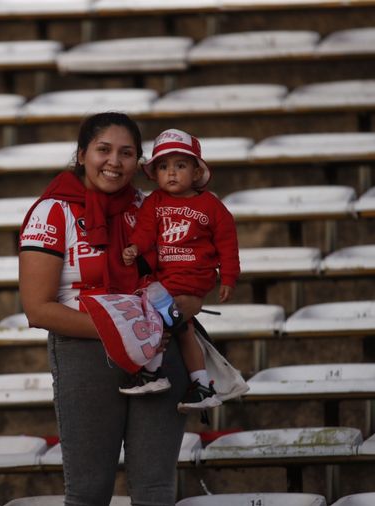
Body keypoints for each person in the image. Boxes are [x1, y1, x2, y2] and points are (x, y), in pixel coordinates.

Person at [19, 113, 200, 506]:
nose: (114, 162)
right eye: (103, 150)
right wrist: (123, 328)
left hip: (159, 349)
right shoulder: (52, 212)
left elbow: (193, 277)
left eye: (127, 153)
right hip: (85, 353)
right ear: (82, 154)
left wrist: (187, 304)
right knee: (89, 493)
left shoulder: (157, 207)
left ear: (140, 162)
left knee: (156, 491)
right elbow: (37, 309)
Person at [121, 128, 240, 414]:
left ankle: (153, 372)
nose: (171, 173)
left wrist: (229, 277)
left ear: (197, 172)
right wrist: (135, 248)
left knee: (156, 314)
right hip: (166, 278)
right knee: (182, 328)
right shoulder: (155, 202)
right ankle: (202, 386)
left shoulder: (211, 205)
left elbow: (227, 242)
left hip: (194, 277)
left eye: (180, 165)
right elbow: (145, 231)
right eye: (163, 166)